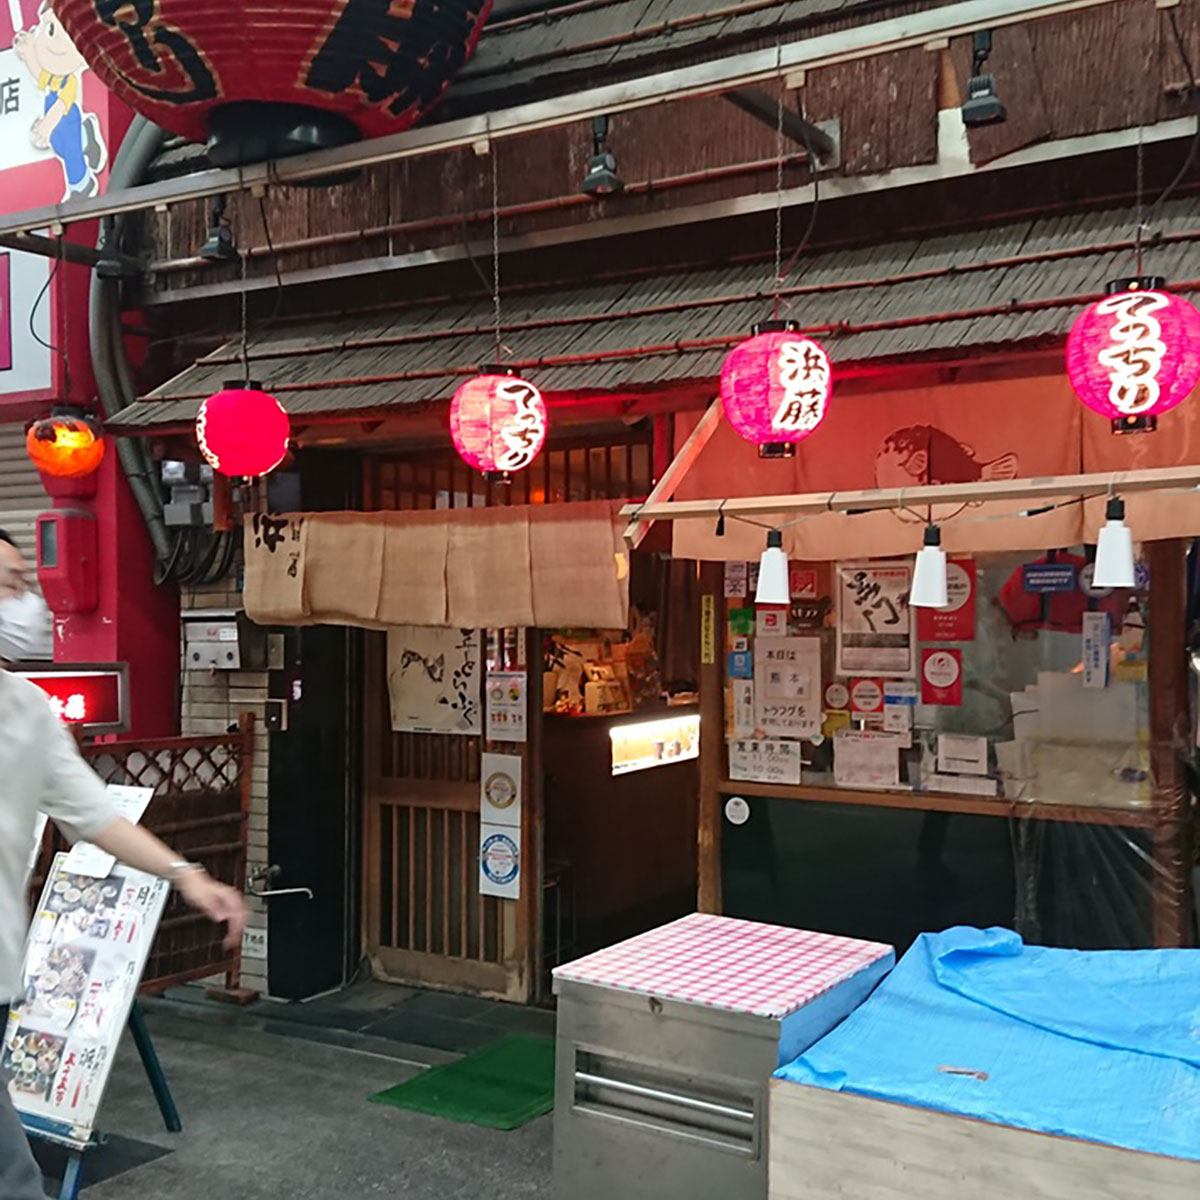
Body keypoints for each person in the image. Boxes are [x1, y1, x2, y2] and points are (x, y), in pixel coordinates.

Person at [0, 528, 247, 1199]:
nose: (20, 602)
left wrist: (188, 876)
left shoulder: (26, 711)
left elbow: (96, 814)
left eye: (21, 584)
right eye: (5, 586)